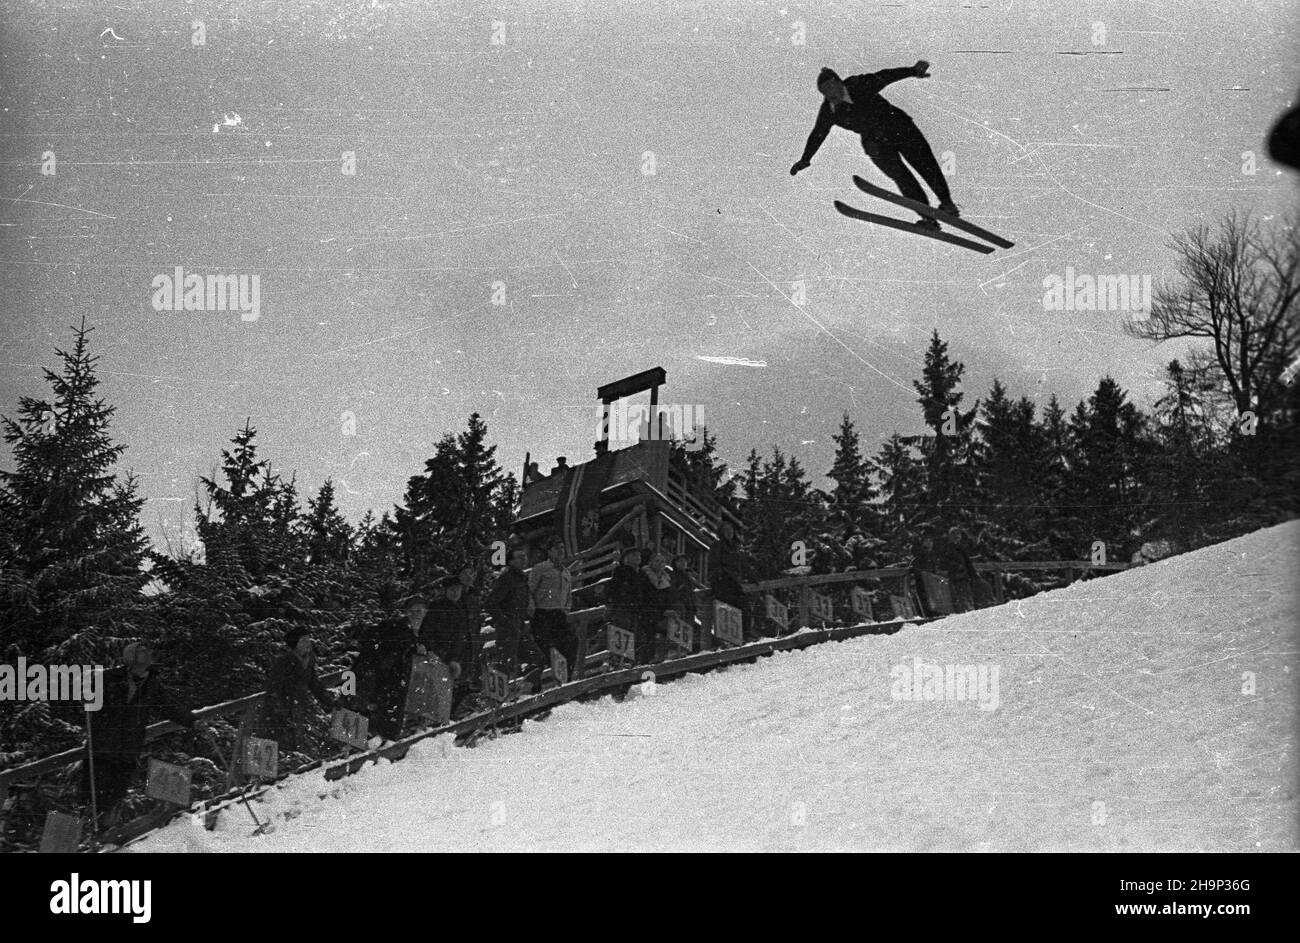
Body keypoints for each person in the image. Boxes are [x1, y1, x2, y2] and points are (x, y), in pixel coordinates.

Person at [791, 63, 959, 229]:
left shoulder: (859, 84)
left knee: (925, 164)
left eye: (829, 88)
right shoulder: (829, 110)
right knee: (901, 177)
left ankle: (947, 203)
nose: (828, 95)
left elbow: (885, 76)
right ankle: (927, 218)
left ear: (839, 82)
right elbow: (818, 134)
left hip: (900, 128)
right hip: (876, 143)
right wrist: (805, 159)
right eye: (824, 92)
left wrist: (913, 71)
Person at [82, 642, 200, 828]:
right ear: (132, 658)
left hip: (127, 749)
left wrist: (193, 721)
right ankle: (85, 837)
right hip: (101, 747)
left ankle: (105, 833)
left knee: (116, 794)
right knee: (92, 793)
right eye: (144, 652)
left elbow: (169, 706)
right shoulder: (108, 678)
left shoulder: (151, 684)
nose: (150, 654)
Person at [354, 595, 426, 740]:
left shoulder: (421, 631)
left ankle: (377, 743)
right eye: (412, 611)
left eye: (419, 611)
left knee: (384, 713)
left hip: (390, 679)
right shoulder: (397, 629)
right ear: (406, 613)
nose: (416, 615)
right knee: (362, 707)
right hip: (380, 676)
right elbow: (395, 650)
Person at [262, 627, 334, 753]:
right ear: (295, 644)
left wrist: (330, 701)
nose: (308, 643)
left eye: (308, 639)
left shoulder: (308, 660)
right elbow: (273, 687)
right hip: (278, 713)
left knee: (292, 748)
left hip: (296, 711)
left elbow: (314, 684)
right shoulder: (283, 661)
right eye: (304, 640)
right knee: (269, 747)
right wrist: (281, 709)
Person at [483, 546, 546, 678]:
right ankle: (500, 697)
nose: (524, 559)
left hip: (520, 625)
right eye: (520, 557)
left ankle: (526, 689)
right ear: (510, 561)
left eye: (525, 556)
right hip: (508, 628)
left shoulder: (521, 578)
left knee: (536, 658)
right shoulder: (507, 578)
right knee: (504, 666)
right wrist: (504, 621)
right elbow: (490, 603)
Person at [424, 576, 476, 715]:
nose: (455, 593)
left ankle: (452, 713)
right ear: (445, 591)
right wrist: (440, 652)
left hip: (461, 651)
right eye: (452, 590)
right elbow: (429, 633)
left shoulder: (462, 606)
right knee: (444, 688)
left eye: (458, 589)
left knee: (461, 686)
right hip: (444, 653)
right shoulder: (437, 608)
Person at [529, 538, 579, 680]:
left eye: (562, 548)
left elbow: (569, 594)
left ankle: (566, 680)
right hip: (542, 614)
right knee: (547, 651)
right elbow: (530, 590)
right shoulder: (540, 568)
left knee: (570, 644)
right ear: (549, 551)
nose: (561, 551)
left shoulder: (566, 572)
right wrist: (533, 611)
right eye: (557, 548)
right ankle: (540, 685)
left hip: (559, 614)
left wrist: (566, 610)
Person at [638, 549, 676, 664]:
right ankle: (645, 662)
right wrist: (662, 611)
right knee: (649, 637)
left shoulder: (666, 578)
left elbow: (669, 597)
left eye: (662, 561)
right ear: (651, 563)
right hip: (649, 612)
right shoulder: (644, 576)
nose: (660, 564)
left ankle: (662, 657)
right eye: (657, 561)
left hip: (663, 612)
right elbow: (646, 597)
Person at [669, 553, 700, 650]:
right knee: (680, 626)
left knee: (688, 626)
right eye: (680, 561)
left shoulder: (688, 575)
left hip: (689, 603)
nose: (683, 563)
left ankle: (686, 648)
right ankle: (679, 649)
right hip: (680, 603)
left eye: (684, 561)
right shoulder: (673, 575)